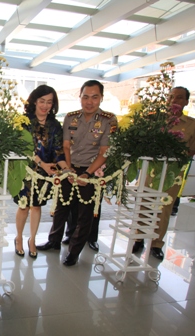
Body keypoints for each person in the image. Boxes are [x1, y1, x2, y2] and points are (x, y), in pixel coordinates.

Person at [36, 80, 117, 266]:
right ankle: (54, 241)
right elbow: (65, 145)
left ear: (101, 98)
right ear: (80, 97)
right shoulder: (70, 118)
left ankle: (74, 251)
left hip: (92, 170)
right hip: (69, 167)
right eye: (85, 97)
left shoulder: (108, 120)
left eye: (94, 97)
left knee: (85, 213)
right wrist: (69, 170)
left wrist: (87, 174)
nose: (89, 102)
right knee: (61, 206)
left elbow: (105, 151)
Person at [133, 86, 195, 260]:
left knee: (164, 209)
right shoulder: (155, 121)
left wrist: (176, 154)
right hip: (151, 170)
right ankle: (138, 239)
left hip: (172, 173)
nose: (173, 101)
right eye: (171, 97)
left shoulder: (193, 124)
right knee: (144, 203)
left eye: (178, 98)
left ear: (186, 101)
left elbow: (192, 150)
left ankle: (156, 244)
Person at [13, 85, 67, 259]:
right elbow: (22, 148)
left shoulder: (55, 125)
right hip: (25, 171)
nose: (45, 105)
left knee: (36, 206)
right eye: (42, 101)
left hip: (45, 174)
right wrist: (42, 163)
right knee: (24, 205)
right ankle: (19, 238)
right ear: (35, 101)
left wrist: (65, 168)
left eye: (49, 102)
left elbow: (59, 151)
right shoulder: (24, 121)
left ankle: (32, 240)